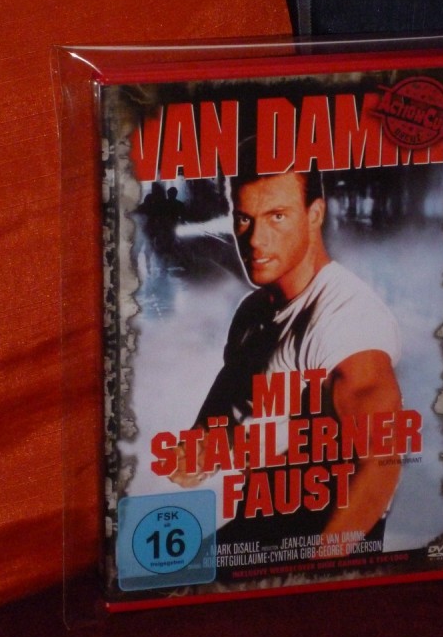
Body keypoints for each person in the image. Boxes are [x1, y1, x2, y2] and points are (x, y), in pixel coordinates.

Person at [169, 149, 402, 557]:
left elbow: (381, 464)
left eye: (277, 216)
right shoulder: (254, 310)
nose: (255, 240)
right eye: (244, 219)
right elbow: (234, 390)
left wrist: (320, 564)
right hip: (264, 516)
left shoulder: (346, 319)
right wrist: (201, 445)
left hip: (327, 532)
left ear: (315, 214)